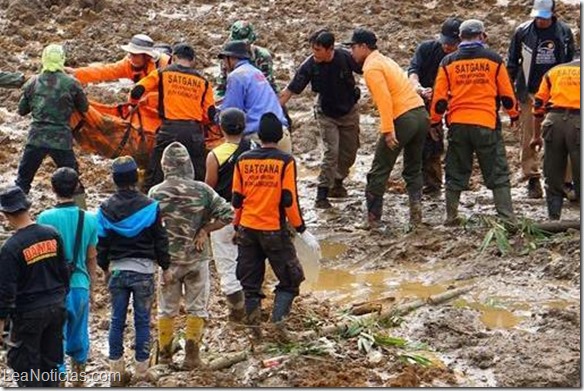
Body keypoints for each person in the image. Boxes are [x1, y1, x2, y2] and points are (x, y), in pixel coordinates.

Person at [232, 112, 320, 338]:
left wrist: (236, 226)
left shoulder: (243, 160)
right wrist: (302, 230)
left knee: (250, 283)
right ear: (280, 136)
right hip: (273, 230)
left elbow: (237, 199)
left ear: (259, 135)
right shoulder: (285, 162)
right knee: (291, 279)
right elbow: (289, 200)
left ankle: (254, 331)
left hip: (247, 228)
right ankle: (278, 326)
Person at [149, 141, 234, 369]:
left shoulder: (156, 192)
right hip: (197, 258)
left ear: (165, 165)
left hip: (169, 262)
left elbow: (150, 225)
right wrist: (205, 229)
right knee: (197, 308)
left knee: (166, 309)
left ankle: (165, 358)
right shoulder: (203, 190)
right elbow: (228, 214)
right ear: (188, 165)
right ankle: (192, 357)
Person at [430, 19, 520, 225]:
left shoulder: (448, 62)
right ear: (482, 35)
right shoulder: (494, 59)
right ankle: (507, 217)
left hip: (458, 124)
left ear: (460, 38)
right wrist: (514, 115)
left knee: (455, 170)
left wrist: (434, 122)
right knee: (497, 170)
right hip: (486, 122)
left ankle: (451, 216)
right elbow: (507, 93)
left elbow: (440, 98)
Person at [96, 156, 171, 384]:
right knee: (142, 320)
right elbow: (161, 239)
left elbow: (102, 243)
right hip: (145, 272)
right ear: (136, 178)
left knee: (117, 320)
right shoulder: (151, 206)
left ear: (114, 180)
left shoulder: (105, 208)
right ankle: (141, 371)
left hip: (117, 271)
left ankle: (116, 371)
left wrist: (104, 267)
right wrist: (165, 266)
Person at [344, 29, 428, 228]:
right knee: (413, 168)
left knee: (379, 170)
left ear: (364, 47)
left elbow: (384, 100)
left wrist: (388, 130)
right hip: (420, 114)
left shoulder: (371, 67)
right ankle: (416, 217)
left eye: (353, 47)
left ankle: (373, 220)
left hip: (403, 118)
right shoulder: (386, 60)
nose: (351, 52)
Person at [280, 29, 362, 209]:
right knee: (331, 152)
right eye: (313, 49)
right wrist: (274, 110)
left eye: (318, 50)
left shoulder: (344, 57)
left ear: (330, 49)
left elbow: (368, 70)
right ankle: (322, 194)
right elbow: (290, 91)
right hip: (326, 113)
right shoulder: (309, 65)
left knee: (350, 151)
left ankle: (337, 183)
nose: (314, 53)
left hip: (348, 110)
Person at [0, 186, 69, 387]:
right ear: (27, 207)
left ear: (5, 214)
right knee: (51, 364)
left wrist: (1, 323)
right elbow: (64, 271)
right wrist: (61, 297)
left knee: (26, 369)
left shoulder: (11, 247)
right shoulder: (52, 234)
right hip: (56, 307)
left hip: (29, 314)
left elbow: (5, 291)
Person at [507, 0, 575, 199]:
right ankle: (532, 178)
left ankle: (566, 180)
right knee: (529, 136)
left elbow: (571, 62)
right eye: (537, 17)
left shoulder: (563, 32)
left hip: (558, 93)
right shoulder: (522, 32)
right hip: (530, 91)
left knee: (564, 136)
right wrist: (509, 91)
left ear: (554, 13)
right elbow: (512, 61)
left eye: (544, 17)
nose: (540, 21)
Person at [36, 168, 98, 386]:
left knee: (55, 336)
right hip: (80, 285)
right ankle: (79, 378)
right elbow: (92, 258)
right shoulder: (90, 218)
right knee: (79, 333)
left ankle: (58, 380)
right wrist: (93, 288)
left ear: (52, 189)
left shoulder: (44, 218)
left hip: (54, 289)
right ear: (77, 187)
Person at [131, 43, 216, 191]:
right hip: (194, 133)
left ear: (174, 57)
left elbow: (137, 90)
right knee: (198, 178)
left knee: (155, 175)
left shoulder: (162, 73)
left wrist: (133, 105)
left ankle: (151, 208)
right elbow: (210, 113)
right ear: (193, 60)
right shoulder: (203, 81)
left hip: (169, 130)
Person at [15, 44, 89, 208]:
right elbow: (84, 107)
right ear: (62, 60)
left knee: (23, 180)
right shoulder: (72, 84)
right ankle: (82, 215)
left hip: (36, 139)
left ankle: (13, 215)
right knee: (72, 179)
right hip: (61, 140)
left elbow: (21, 110)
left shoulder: (33, 82)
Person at [205, 108, 252, 322]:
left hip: (225, 215)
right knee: (252, 261)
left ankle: (237, 312)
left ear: (220, 128)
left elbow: (209, 190)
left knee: (226, 263)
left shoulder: (215, 155)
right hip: (254, 213)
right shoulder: (254, 149)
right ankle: (254, 307)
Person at [408, 18, 462, 195]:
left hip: (451, 101)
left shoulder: (462, 58)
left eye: (452, 44)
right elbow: (413, 71)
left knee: (439, 142)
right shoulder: (427, 49)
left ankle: (437, 183)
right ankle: (423, 183)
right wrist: (419, 88)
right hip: (422, 99)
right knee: (421, 141)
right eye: (445, 42)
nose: (447, 47)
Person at [219, 40, 292, 154]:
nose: (223, 63)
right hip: (282, 133)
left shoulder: (236, 75)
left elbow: (231, 113)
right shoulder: (256, 72)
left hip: (260, 138)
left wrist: (215, 116)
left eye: (224, 59)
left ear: (231, 58)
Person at [530, 57, 580, 219]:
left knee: (553, 172)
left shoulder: (555, 71)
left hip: (553, 122)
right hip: (579, 122)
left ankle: (553, 216)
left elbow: (538, 105)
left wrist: (536, 136)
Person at [69, 34, 171, 112]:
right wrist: (75, 73)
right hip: (143, 96)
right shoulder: (127, 64)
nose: (131, 58)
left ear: (147, 56)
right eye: (130, 54)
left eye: (135, 55)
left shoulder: (165, 64)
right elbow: (104, 71)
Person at [215, 20, 278, 99]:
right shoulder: (227, 58)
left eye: (244, 44)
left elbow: (268, 86)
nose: (240, 47)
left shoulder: (262, 57)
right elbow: (222, 88)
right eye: (237, 44)